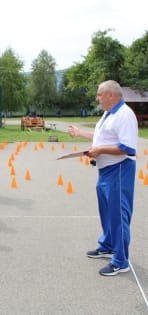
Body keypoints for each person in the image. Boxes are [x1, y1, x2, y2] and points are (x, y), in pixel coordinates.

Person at [68, 80, 138, 276]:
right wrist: (80, 133)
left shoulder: (124, 115)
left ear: (111, 95)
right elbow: (101, 136)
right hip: (105, 171)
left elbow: (127, 148)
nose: (97, 99)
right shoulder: (108, 114)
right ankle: (107, 245)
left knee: (118, 216)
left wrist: (99, 150)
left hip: (119, 170)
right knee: (107, 213)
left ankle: (120, 260)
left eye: (99, 95)